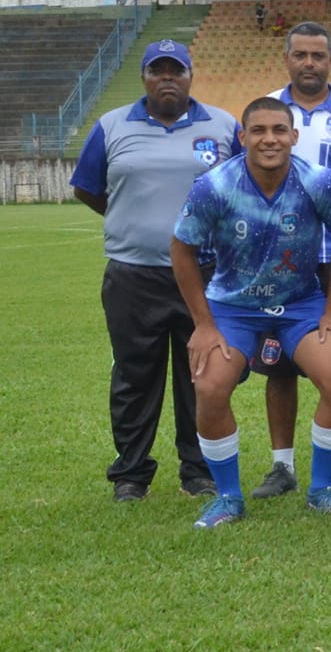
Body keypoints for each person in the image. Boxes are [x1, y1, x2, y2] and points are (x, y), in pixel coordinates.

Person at [170, 97, 331, 526]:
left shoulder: (321, 183)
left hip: (300, 303)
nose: (269, 139)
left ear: (294, 136)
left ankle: (322, 489)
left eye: (279, 130)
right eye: (258, 131)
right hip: (233, 306)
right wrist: (203, 323)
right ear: (243, 138)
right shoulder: (215, 186)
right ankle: (228, 497)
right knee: (211, 386)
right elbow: (181, 250)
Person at [71, 39, 241, 502]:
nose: (168, 78)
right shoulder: (111, 126)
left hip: (206, 275)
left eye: (177, 70)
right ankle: (131, 474)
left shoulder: (224, 126)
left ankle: (199, 470)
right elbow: (87, 188)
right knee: (134, 374)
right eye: (157, 71)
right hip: (134, 274)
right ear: (144, 77)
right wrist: (131, 219)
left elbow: (246, 188)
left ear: (190, 76)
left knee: (202, 376)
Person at [248, 22, 331, 502]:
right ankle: (282, 466)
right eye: (300, 55)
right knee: (277, 366)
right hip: (280, 261)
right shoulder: (267, 111)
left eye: (318, 55)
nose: (309, 63)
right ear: (287, 59)